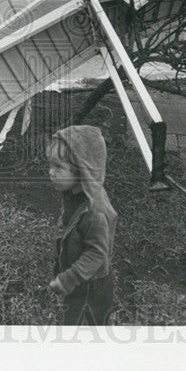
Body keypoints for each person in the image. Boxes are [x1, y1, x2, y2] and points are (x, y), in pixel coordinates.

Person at [46, 125, 118, 325]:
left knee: (83, 325)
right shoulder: (75, 193)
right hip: (80, 279)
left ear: (82, 170)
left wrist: (68, 279)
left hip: (90, 285)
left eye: (59, 167)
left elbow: (97, 254)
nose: (51, 172)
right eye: (50, 165)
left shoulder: (94, 213)